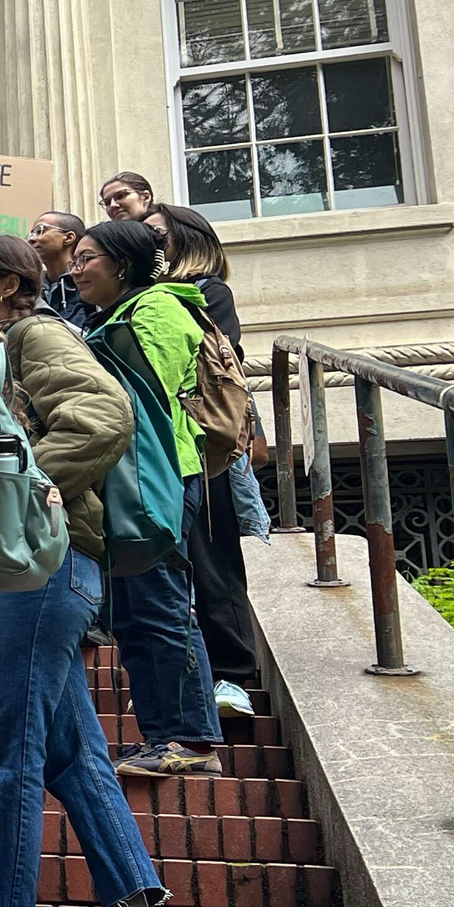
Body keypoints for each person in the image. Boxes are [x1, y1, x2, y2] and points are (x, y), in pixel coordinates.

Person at [0, 234, 166, 907]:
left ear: (12, 285)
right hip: (45, 567)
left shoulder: (35, 331)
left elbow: (103, 416)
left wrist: (24, 487)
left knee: (12, 737)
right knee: (74, 750)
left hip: (50, 560)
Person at [73, 219, 225, 777]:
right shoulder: (114, 316)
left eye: (88, 258)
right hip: (132, 478)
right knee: (135, 613)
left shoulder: (157, 310)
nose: (76, 268)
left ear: (123, 265)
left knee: (160, 605)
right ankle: (167, 736)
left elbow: (142, 399)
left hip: (160, 476)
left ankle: (190, 738)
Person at [142, 202, 265, 718]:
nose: (146, 242)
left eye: (155, 234)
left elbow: (210, 360)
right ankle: (178, 681)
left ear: (185, 240)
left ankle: (233, 676)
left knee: (212, 557)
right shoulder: (137, 298)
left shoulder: (208, 293)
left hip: (200, 445)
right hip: (154, 446)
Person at [29, 211, 89, 326]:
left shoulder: (88, 282)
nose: (31, 240)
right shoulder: (33, 288)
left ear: (68, 237)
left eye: (40, 231)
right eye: (31, 234)